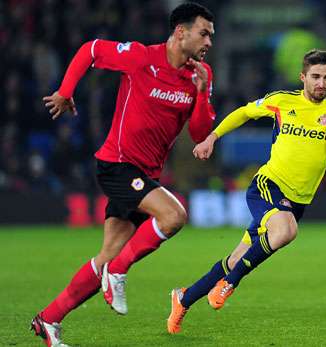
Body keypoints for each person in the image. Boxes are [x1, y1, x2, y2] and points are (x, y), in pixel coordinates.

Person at [31, 3, 216, 346]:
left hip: (144, 175)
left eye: (211, 36)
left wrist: (204, 93)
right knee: (174, 216)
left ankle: (48, 319)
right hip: (117, 165)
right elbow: (90, 49)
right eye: (203, 33)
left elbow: (199, 132)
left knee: (105, 256)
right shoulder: (141, 57)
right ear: (181, 31)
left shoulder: (199, 76)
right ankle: (119, 271)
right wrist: (66, 91)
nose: (209, 42)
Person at [167, 49, 326, 334]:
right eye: (315, 77)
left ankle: (183, 298)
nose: (321, 83)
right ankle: (230, 283)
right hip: (267, 186)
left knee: (238, 257)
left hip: (297, 201)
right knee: (286, 231)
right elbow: (244, 113)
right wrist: (212, 137)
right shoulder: (282, 101)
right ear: (303, 77)